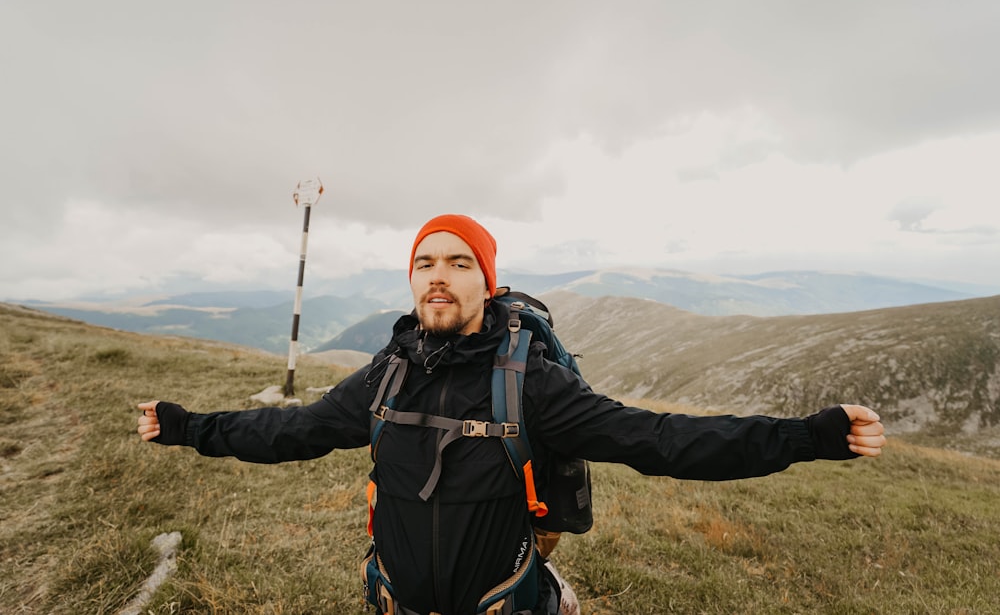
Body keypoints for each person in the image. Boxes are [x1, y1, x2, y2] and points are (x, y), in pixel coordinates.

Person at [137, 213, 886, 615]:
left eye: (459, 262)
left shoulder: (531, 384)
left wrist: (812, 436)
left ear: (485, 284)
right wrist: (186, 426)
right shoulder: (385, 375)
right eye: (425, 262)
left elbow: (664, 439)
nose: (439, 275)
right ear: (411, 280)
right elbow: (287, 431)